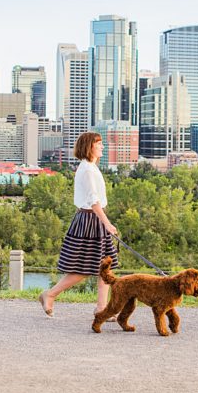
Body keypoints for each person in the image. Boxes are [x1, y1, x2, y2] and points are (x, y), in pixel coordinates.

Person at [38, 132, 118, 319]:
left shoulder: (90, 167)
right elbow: (93, 200)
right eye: (99, 144)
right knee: (84, 269)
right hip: (90, 221)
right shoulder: (88, 169)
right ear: (90, 146)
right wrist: (107, 223)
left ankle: (101, 308)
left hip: (93, 220)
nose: (102, 147)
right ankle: (50, 294)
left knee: (106, 267)